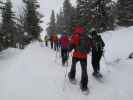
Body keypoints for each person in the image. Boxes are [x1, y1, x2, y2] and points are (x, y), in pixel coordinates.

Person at [68, 25, 91, 92]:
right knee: (84, 70)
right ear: (83, 30)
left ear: (76, 30)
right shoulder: (87, 37)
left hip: (76, 55)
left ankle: (72, 76)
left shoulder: (74, 36)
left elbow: (70, 46)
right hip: (84, 56)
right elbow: (89, 49)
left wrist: (69, 49)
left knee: (73, 66)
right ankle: (84, 86)